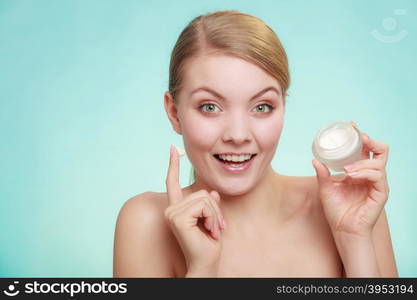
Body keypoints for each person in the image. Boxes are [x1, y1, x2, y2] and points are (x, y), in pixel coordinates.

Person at [113, 10, 398, 278]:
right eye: (210, 107)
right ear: (174, 113)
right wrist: (202, 269)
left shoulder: (351, 205)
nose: (237, 135)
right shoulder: (146, 223)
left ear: (282, 109)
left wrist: (355, 241)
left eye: (261, 107)